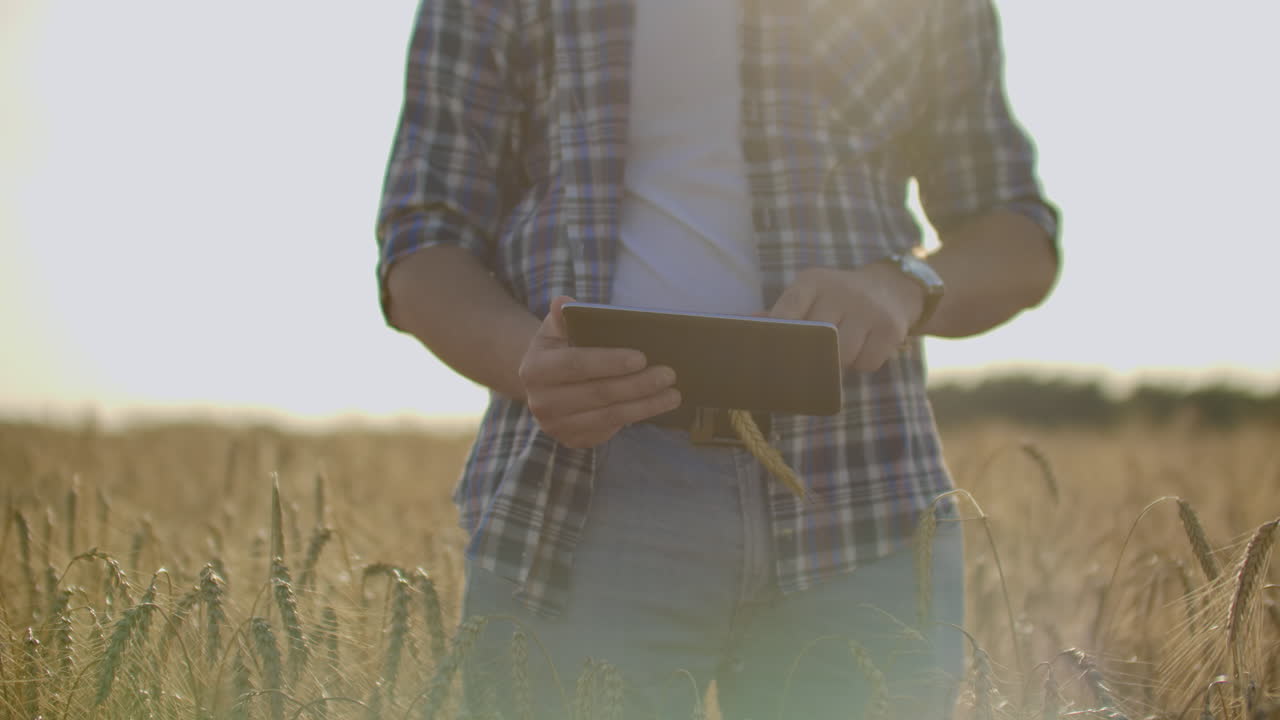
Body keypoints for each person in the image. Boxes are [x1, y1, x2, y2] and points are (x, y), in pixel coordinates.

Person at [376, 0, 1058, 717]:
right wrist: (528, 362)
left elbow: (1018, 235)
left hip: (864, 493)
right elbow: (422, 238)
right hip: (578, 501)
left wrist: (900, 286)